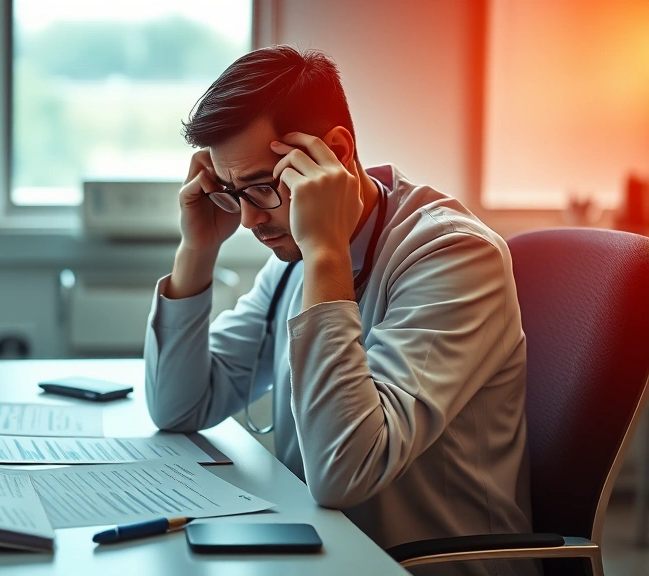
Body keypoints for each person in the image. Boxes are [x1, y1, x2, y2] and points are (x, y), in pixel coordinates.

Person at [144, 46, 533, 576]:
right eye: (234, 193)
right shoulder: (289, 254)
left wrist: (325, 252)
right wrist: (198, 249)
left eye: (263, 185)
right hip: (323, 550)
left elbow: (345, 472)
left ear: (336, 150)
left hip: (420, 565)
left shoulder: (456, 255)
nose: (252, 219)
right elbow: (179, 407)